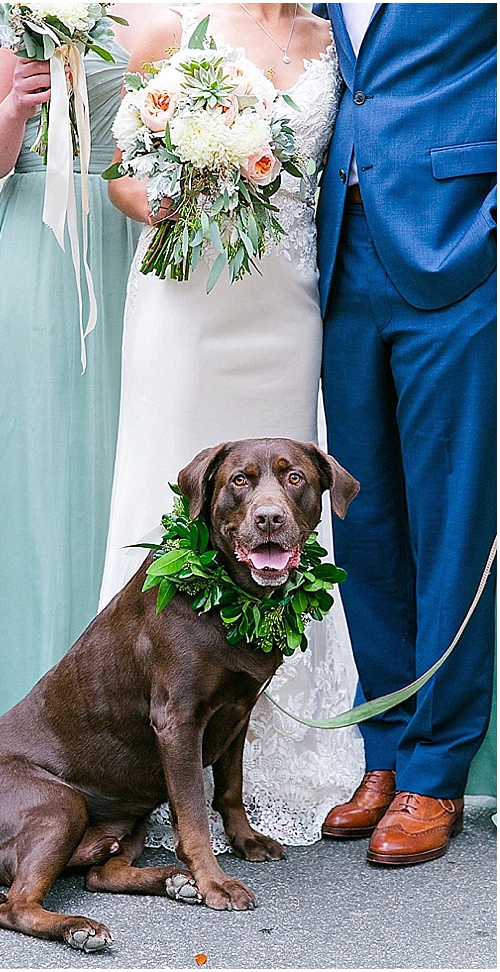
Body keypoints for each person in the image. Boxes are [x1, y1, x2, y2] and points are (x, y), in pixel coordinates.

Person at [99, 2, 365, 851]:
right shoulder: (174, 29)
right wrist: (191, 190)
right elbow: (119, 180)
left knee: (277, 507)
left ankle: (269, 748)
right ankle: (149, 742)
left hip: (285, 306)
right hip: (188, 304)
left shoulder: (337, 41)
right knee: (174, 505)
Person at [0, 7, 146, 782]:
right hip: (44, 242)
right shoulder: (12, 11)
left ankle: (133, 731)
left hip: (137, 240)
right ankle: (19, 728)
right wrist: (15, 110)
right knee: (37, 474)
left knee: (125, 470)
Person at [315, 3, 496, 864]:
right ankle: (384, 753)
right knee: (365, 520)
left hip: (458, 243)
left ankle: (438, 767)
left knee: (451, 519)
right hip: (343, 249)